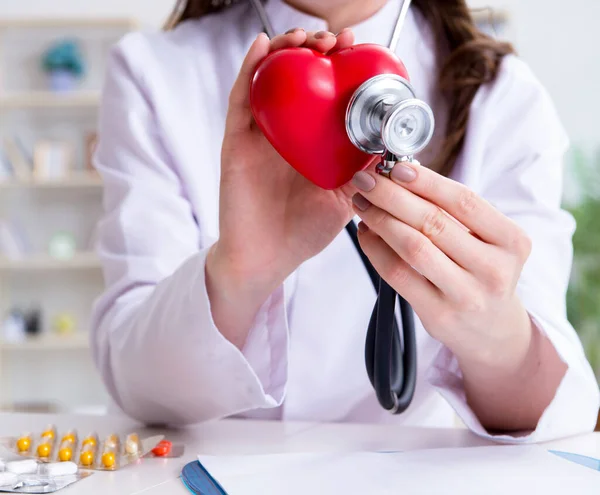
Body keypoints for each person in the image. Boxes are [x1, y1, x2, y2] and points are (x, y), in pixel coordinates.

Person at [90, 0, 600, 442]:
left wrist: (495, 333)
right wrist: (239, 273)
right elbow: (136, 381)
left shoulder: (503, 94)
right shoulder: (153, 71)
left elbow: (552, 413)